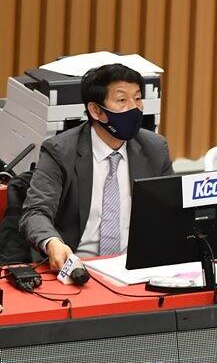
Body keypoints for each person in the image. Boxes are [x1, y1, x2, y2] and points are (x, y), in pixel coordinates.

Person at [20, 63, 174, 270]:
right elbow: (36, 212)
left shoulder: (154, 148)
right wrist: (52, 243)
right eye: (122, 100)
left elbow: (172, 210)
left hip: (134, 267)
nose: (134, 108)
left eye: (137, 98)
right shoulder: (60, 151)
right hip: (77, 266)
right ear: (96, 110)